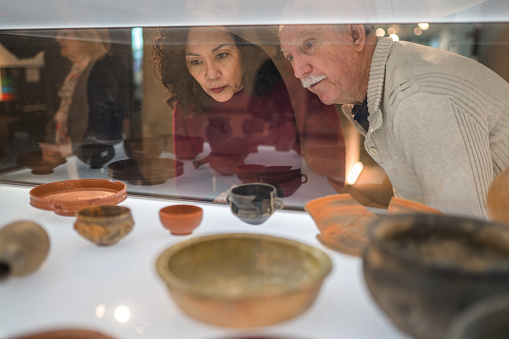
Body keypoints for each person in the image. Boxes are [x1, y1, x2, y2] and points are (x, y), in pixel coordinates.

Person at [279, 23, 509, 218]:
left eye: (309, 45)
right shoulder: (377, 88)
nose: (298, 71)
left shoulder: (418, 99)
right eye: (290, 56)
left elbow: (466, 229)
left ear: (355, 36)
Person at [153, 26, 346, 200]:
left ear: (246, 51)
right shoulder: (188, 106)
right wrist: (218, 205)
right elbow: (189, 184)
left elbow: (331, 178)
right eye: (196, 61)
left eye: (221, 55)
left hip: (295, 214)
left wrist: (265, 202)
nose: (211, 74)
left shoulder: (297, 87)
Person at [41, 29, 126, 156]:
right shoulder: (76, 70)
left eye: (65, 34)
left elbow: (104, 123)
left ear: (84, 38)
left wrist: (74, 149)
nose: (57, 39)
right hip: (75, 153)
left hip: (87, 157)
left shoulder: (97, 70)